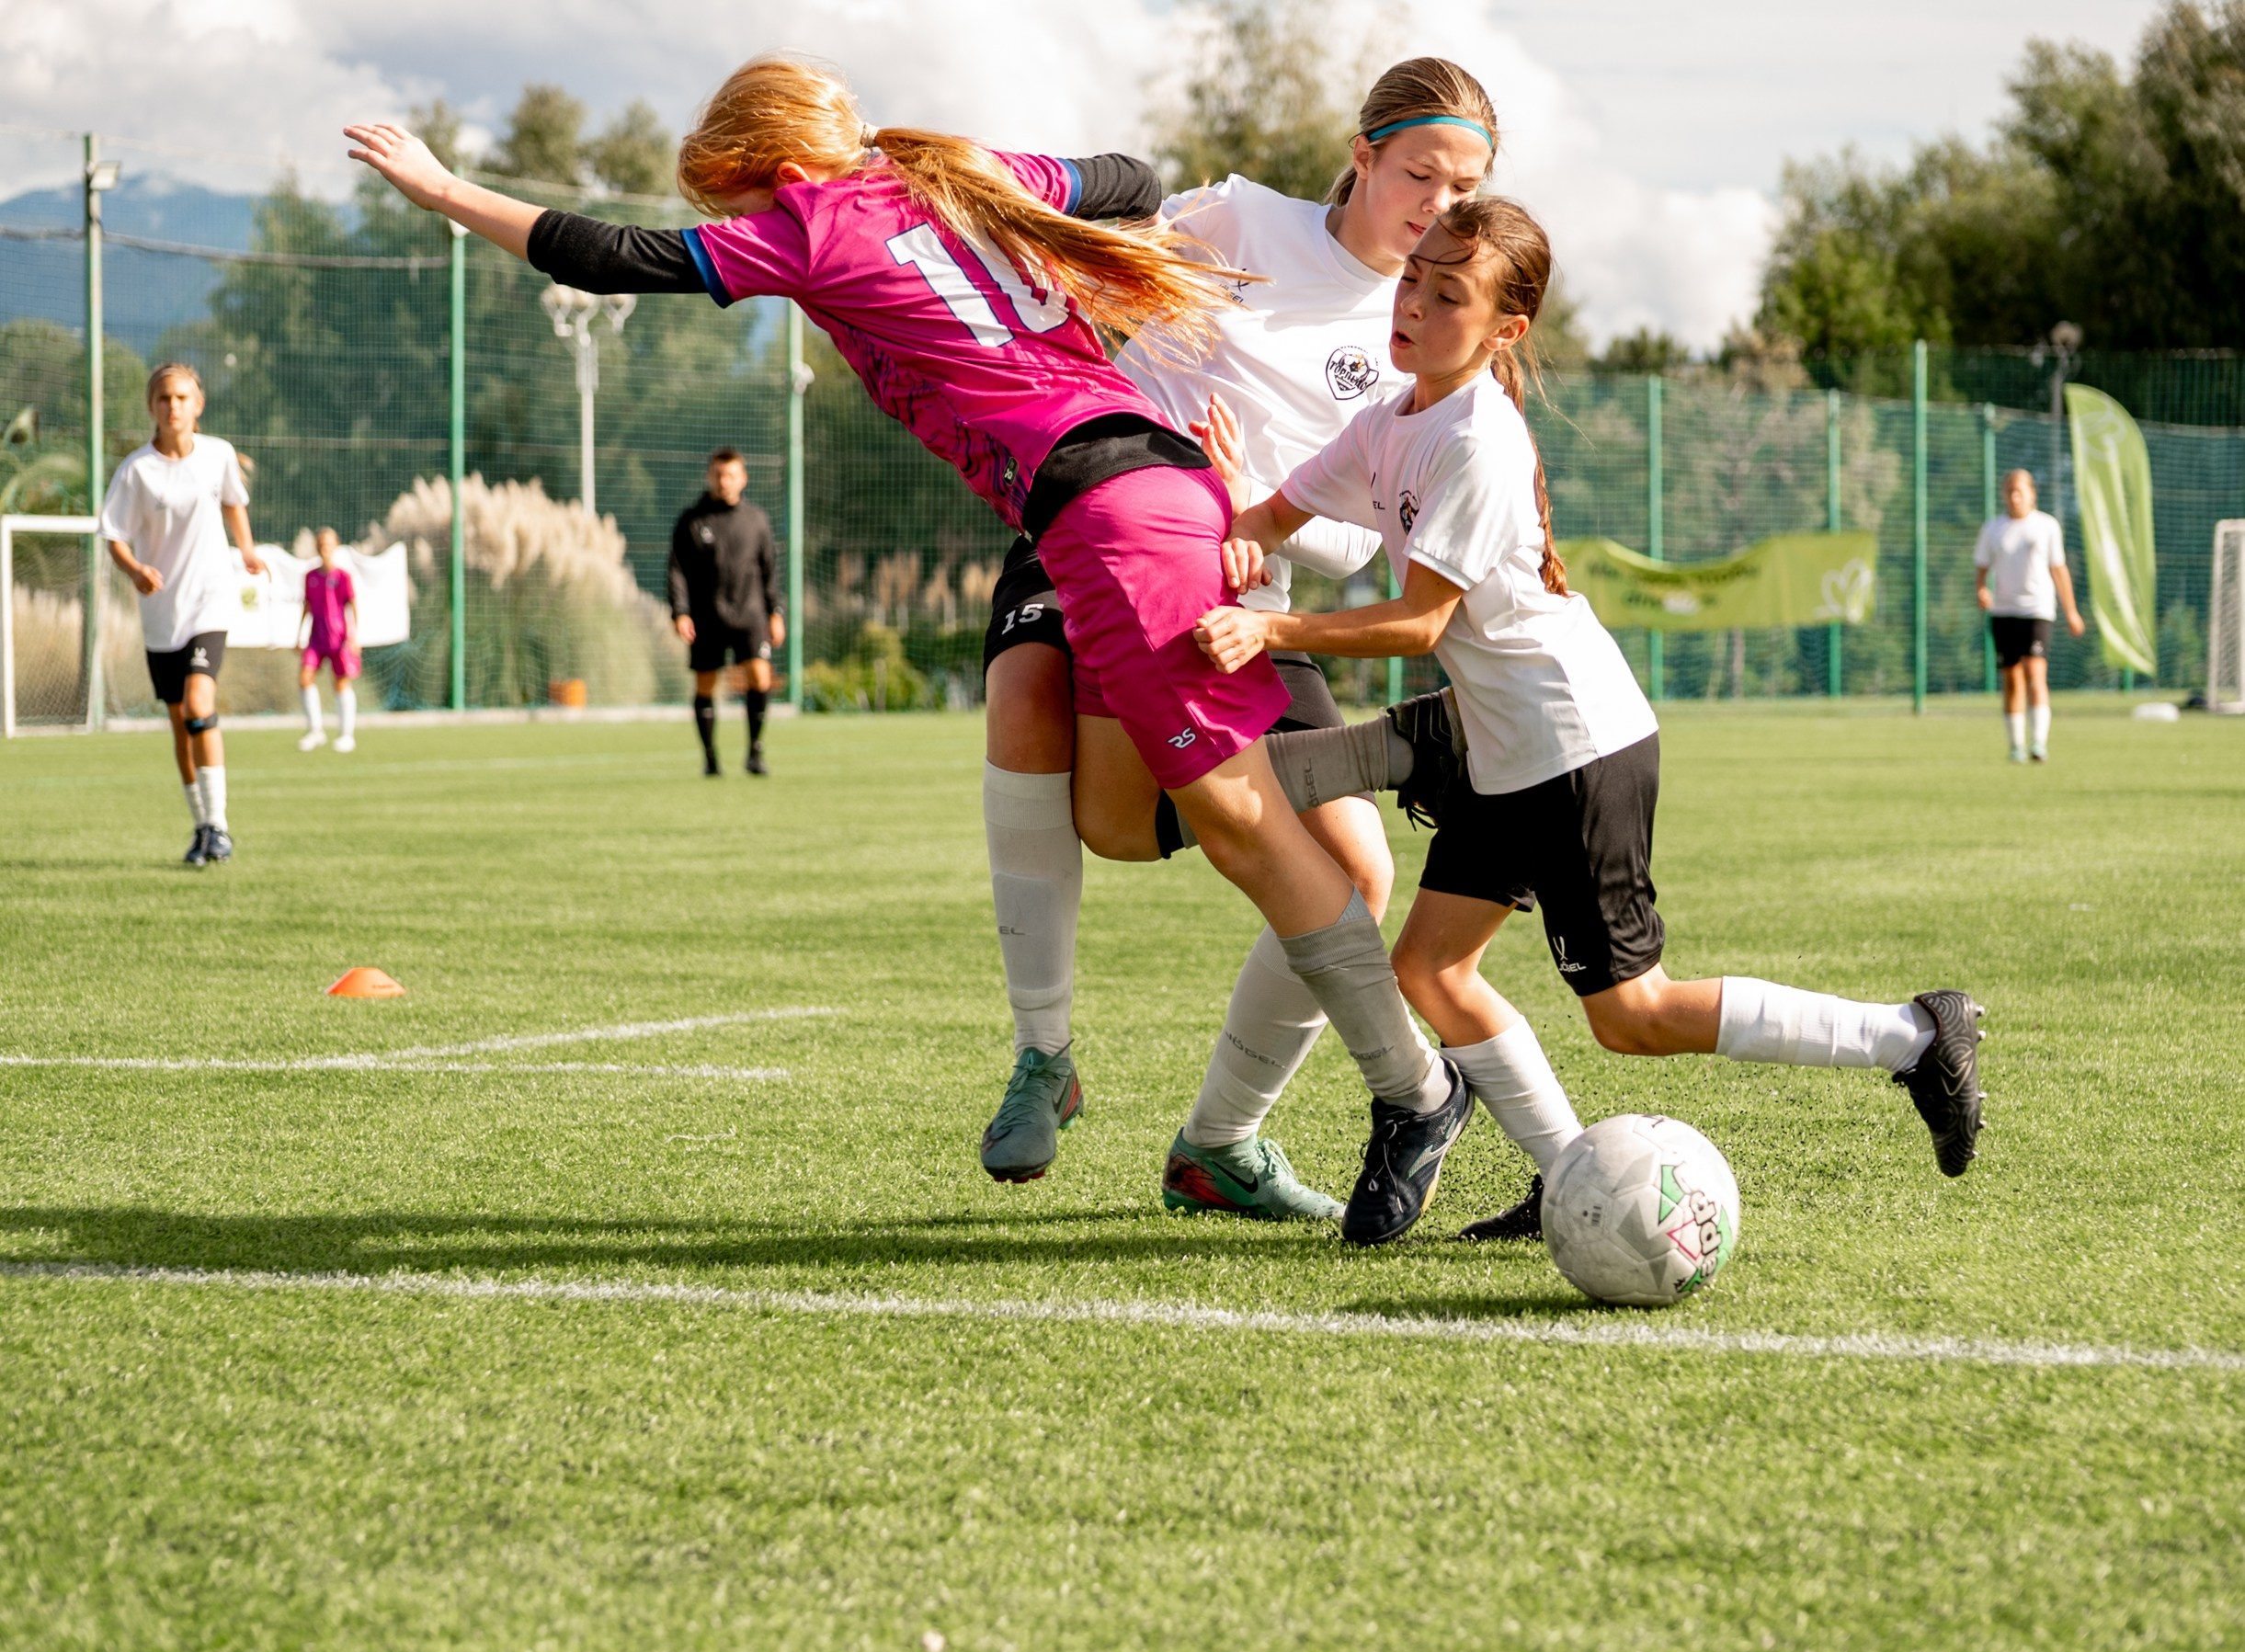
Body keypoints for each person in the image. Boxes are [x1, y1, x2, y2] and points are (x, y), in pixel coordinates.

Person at [347, 55, 1475, 1248]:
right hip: (1143, 496)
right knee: (1145, 810)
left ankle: (1413, 1075)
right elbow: (1130, 177)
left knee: (1248, 830)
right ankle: (1243, 972)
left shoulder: (818, 219)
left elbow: (606, 253)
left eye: (736, 196)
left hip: (1119, 515)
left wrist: (443, 189)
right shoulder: (950, 173)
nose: (744, 225)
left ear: (768, 169)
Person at [1195, 197, 1989, 1243]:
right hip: (1499, 746)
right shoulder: (1389, 420)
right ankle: (1570, 1170)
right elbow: (1275, 516)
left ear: (1504, 330)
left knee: (1635, 1017)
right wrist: (1225, 502)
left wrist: (1273, 628)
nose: (1415, 302)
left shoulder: (1476, 438)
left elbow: (1423, 622)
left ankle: (1910, 1036)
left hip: (1574, 747)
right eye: (1415, 276)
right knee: (1430, 971)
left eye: (1449, 293)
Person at [974, 57, 1499, 1219]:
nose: (1441, 209)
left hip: (1249, 602)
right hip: (1103, 525)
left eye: (1468, 190)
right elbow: (1098, 264)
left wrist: (1252, 506)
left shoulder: (1430, 331)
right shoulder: (1236, 219)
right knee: (1024, 698)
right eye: (1421, 174)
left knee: (1358, 868)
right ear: (1362, 158)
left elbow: (1362, 546)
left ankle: (1221, 1143)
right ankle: (1042, 1053)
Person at [98, 362, 268, 866]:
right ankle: (202, 828)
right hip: (161, 614)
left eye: (182, 398)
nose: (173, 406)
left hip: (209, 602)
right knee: (179, 722)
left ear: (199, 405)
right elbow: (114, 535)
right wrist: (134, 570)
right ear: (152, 407)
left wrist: (249, 551)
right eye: (164, 399)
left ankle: (220, 826)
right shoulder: (136, 471)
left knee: (198, 703)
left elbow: (234, 503)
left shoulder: (217, 455)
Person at [669, 447, 783, 776]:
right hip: (707, 616)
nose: (724, 481)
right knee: (705, 685)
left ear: (743, 479)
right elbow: (676, 570)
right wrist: (680, 612)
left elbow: (769, 570)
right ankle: (710, 757)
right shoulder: (693, 520)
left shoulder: (757, 520)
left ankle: (754, 752)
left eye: (731, 475)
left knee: (760, 676)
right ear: (710, 476)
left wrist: (776, 612)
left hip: (750, 613)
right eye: (719, 474)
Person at [1976, 469, 2084, 762]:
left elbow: (2058, 569)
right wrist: (1982, 591)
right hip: (2004, 611)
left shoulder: (2046, 526)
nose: (2014, 496)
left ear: (2032, 493)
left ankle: (2039, 743)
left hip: (2037, 609)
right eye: (2009, 491)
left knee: (2035, 671)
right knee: (2012, 677)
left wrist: (2071, 611)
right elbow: (1982, 568)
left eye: (2019, 491)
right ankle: (2016, 745)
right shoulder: (1993, 528)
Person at [297, 527, 360, 754]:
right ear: (317, 547)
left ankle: (346, 735)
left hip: (339, 639)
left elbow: (352, 606)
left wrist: (353, 637)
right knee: (305, 678)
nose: (325, 548)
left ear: (335, 546)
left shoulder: (343, 577)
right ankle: (315, 731)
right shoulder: (310, 577)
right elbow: (307, 607)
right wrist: (299, 635)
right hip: (316, 638)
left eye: (329, 544)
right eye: (321, 544)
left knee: (341, 683)